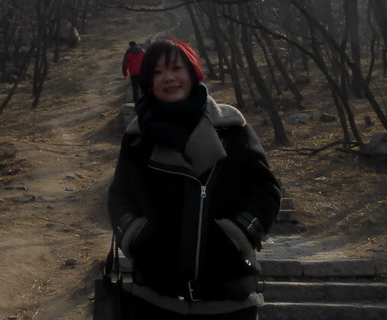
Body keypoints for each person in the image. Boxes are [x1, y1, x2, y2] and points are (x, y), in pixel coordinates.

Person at [108, 38, 281, 320]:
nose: (168, 78)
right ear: (148, 81)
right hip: (154, 297)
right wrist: (135, 233)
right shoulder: (137, 138)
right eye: (157, 72)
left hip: (230, 298)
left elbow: (266, 187)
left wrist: (238, 233)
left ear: (192, 72)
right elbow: (119, 196)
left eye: (176, 68)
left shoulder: (231, 128)